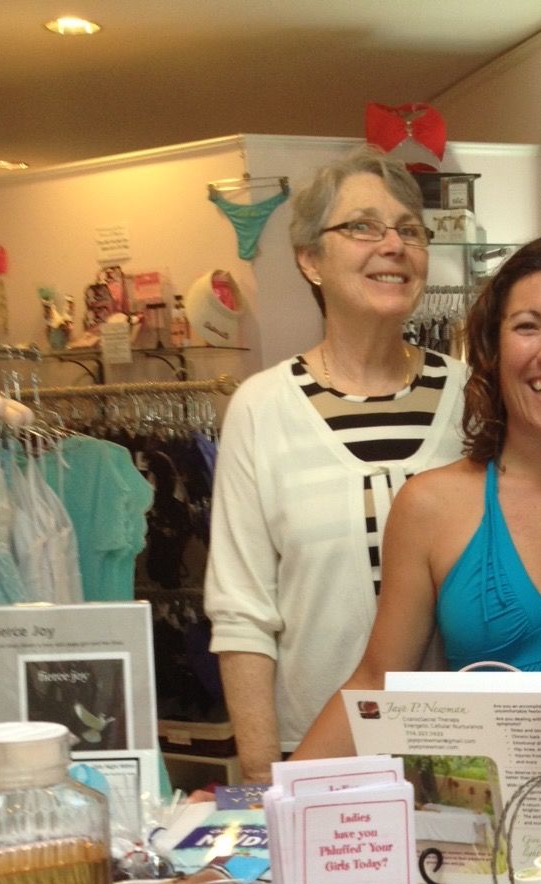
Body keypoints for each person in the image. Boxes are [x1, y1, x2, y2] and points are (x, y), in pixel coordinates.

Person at [294, 236, 541, 757]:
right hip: (485, 833)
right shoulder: (429, 508)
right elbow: (375, 682)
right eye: (527, 326)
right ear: (493, 350)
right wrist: (265, 800)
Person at [204, 147, 468, 779]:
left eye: (409, 230)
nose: (393, 245)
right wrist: (267, 776)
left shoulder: (473, 401)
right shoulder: (262, 409)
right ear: (309, 259)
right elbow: (241, 612)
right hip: (314, 752)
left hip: (459, 752)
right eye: (362, 227)